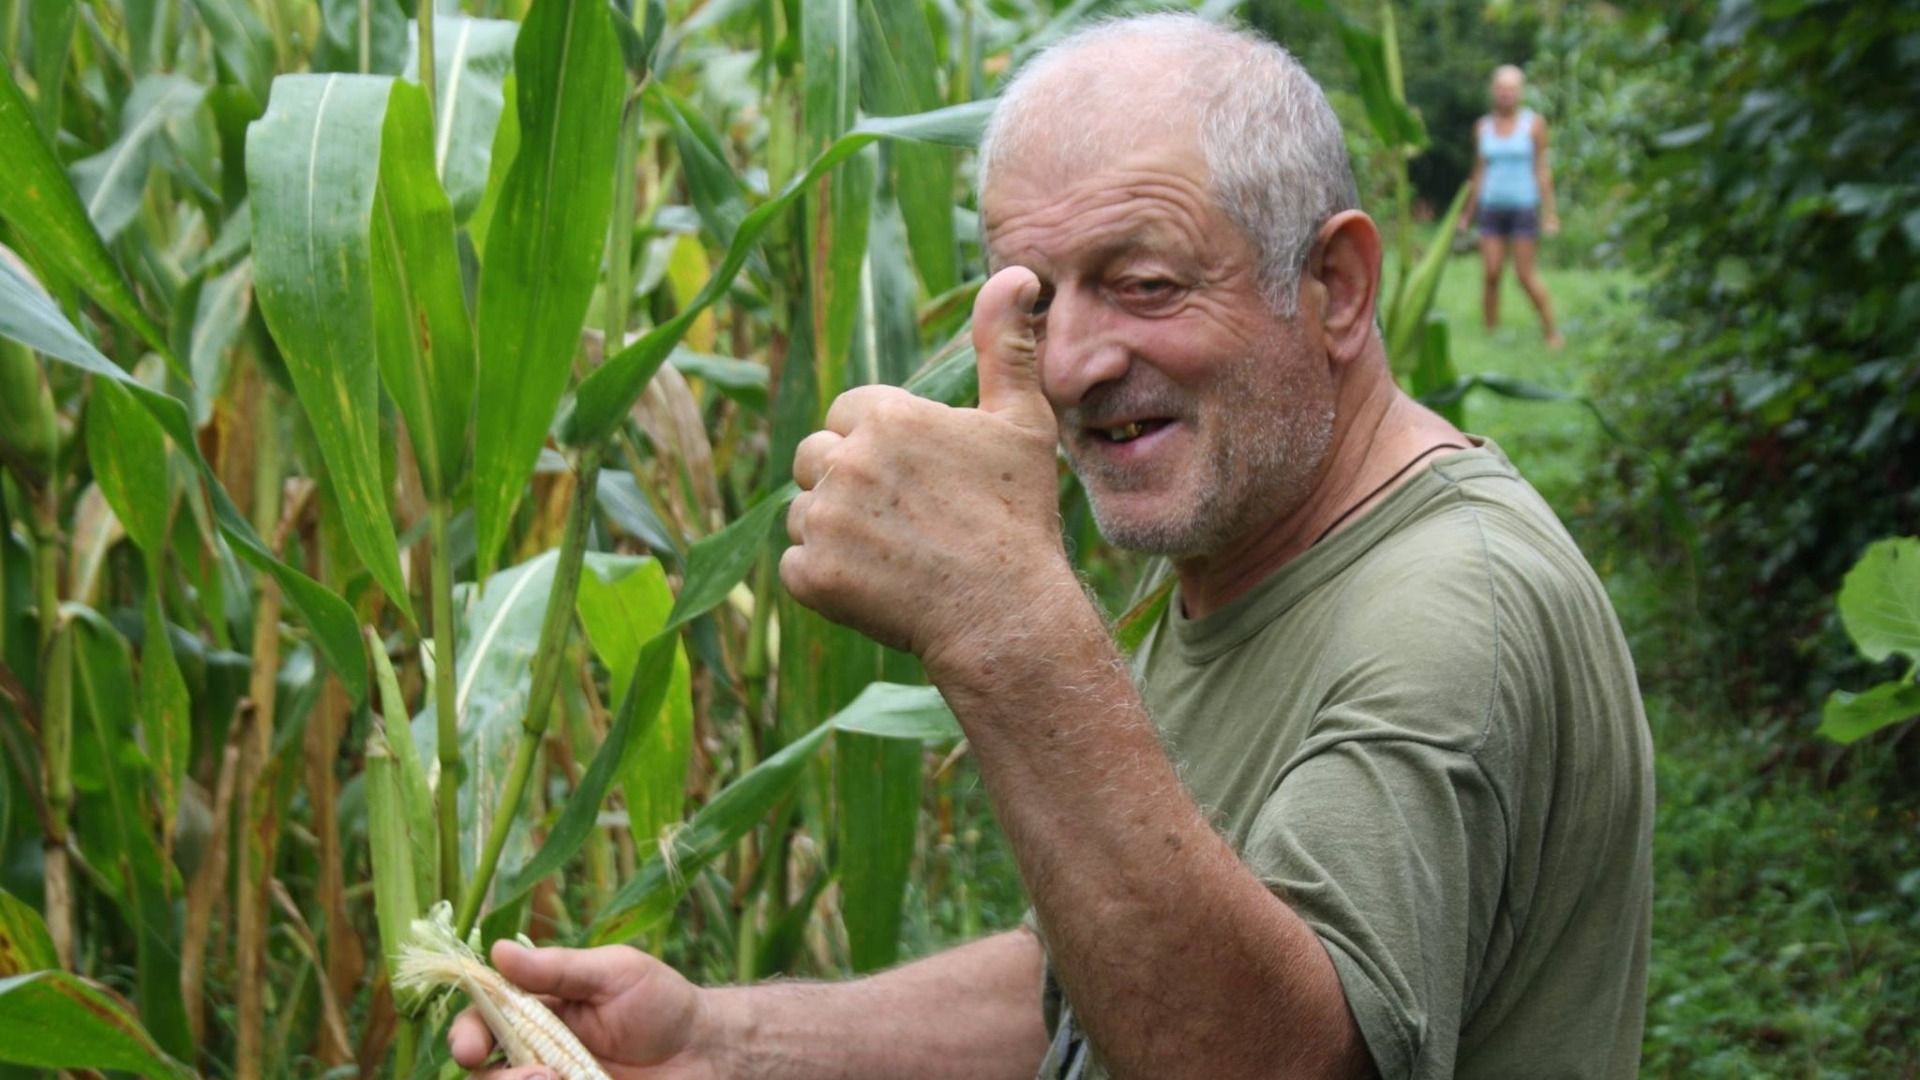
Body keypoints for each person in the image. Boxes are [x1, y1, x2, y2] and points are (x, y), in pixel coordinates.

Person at [453, 15, 1652, 1080]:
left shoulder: (1446, 615)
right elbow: (1110, 983)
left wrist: (1009, 623)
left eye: (1141, 283)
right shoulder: (1251, 557)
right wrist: (722, 1044)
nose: (1072, 363)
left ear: (1333, 285)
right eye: (1035, 297)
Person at [1460, 64, 1564, 349]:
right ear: (1494, 91)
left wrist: (1550, 213)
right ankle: (1490, 333)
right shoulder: (1483, 127)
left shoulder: (1533, 125)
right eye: (1501, 88)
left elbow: (1542, 169)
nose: (1506, 94)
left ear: (1520, 93)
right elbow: (1478, 172)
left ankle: (1552, 331)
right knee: (1491, 272)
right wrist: (1467, 213)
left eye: (1512, 89)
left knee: (1524, 275)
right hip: (1491, 208)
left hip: (1523, 208)